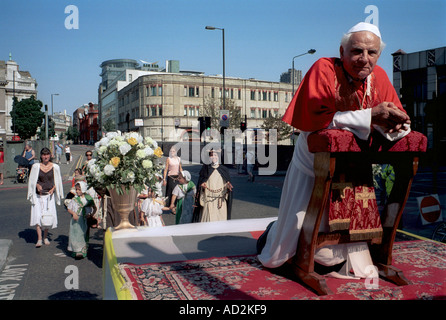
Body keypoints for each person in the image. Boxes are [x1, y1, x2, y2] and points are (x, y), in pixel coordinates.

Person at [257, 22, 411, 278]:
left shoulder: (380, 77)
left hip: (355, 163)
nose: (364, 59)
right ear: (342, 51)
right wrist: (370, 116)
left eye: (371, 53)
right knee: (294, 230)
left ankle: (354, 255)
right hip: (314, 159)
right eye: (357, 51)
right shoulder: (324, 68)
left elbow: (397, 117)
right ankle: (277, 240)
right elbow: (318, 120)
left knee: (338, 253)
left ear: (379, 55)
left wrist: (395, 124)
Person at [27, 147, 64, 247]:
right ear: (41, 156)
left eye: (47, 154)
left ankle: (45, 237)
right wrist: (37, 185)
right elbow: (32, 181)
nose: (45, 156)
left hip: (49, 196)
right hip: (38, 196)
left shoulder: (55, 167)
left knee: (47, 217)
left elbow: (58, 181)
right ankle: (39, 239)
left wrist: (54, 189)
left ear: (50, 155)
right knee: (38, 217)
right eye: (43, 155)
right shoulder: (36, 166)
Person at [193, 150, 233, 222]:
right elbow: (200, 183)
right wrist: (202, 186)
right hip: (208, 200)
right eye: (211, 156)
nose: (213, 157)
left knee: (220, 221)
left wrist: (228, 186)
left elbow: (227, 182)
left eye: (215, 155)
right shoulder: (205, 169)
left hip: (220, 200)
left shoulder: (224, 169)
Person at [66, 181, 97, 259]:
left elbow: (94, 208)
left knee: (84, 234)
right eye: (76, 190)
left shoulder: (88, 199)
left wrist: (91, 215)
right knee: (76, 235)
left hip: (85, 219)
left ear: (83, 189)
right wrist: (74, 214)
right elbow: (69, 208)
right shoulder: (75, 199)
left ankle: (83, 250)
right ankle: (77, 251)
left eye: (79, 190)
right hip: (77, 219)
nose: (77, 191)